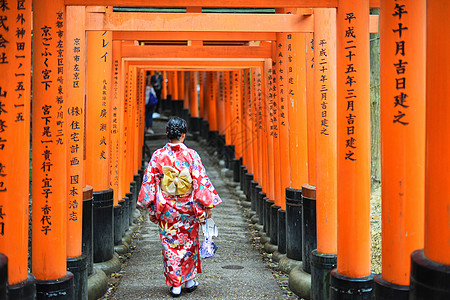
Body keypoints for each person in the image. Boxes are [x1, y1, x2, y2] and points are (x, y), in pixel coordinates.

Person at [138, 117, 222, 297]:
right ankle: (189, 280)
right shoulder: (192, 155)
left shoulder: (158, 156)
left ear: (168, 134)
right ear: (183, 135)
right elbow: (200, 181)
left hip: (166, 208)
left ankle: (176, 284)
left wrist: (150, 205)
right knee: (189, 243)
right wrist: (207, 204)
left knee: (170, 245)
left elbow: (149, 182)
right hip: (188, 208)